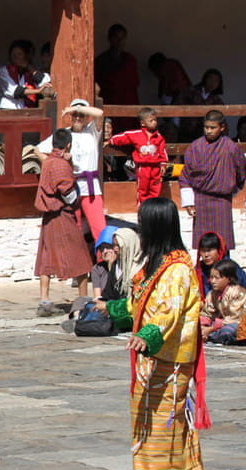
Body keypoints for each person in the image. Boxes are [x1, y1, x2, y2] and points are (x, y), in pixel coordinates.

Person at [97, 197, 217, 470]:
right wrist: (113, 308)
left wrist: (147, 335)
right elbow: (139, 303)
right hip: (152, 363)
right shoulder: (156, 266)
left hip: (170, 363)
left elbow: (170, 311)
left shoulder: (178, 270)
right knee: (169, 433)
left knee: (157, 438)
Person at [35, 128, 94, 316]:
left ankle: (44, 300)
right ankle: (83, 300)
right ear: (68, 144)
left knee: (46, 255)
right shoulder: (60, 165)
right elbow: (68, 193)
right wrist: (76, 198)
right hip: (61, 214)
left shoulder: (49, 161)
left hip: (48, 217)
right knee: (80, 256)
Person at [37, 99, 106, 239]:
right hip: (70, 187)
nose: (78, 118)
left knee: (100, 228)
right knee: (74, 228)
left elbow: (99, 113)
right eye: (75, 115)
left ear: (87, 116)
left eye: (81, 115)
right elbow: (38, 150)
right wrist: (57, 163)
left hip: (91, 188)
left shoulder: (92, 131)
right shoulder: (64, 134)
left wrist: (73, 108)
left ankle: (103, 259)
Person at [179, 110, 246, 251]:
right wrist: (189, 203)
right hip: (200, 200)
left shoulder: (231, 148)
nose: (208, 131)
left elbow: (241, 173)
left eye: (213, 128)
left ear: (222, 127)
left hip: (222, 201)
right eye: (206, 127)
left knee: (222, 245)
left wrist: (232, 191)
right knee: (203, 246)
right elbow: (186, 175)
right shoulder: (195, 147)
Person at [107, 108, 167, 205]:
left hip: (156, 168)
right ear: (143, 123)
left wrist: (163, 164)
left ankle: (152, 210)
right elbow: (124, 137)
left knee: (155, 188)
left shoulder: (159, 137)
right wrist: (111, 141)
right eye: (151, 120)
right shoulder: (136, 134)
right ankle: (142, 210)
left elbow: (162, 151)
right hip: (142, 167)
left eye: (155, 120)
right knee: (143, 189)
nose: (154, 123)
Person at [0, 40, 52, 110]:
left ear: (26, 56)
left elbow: (46, 83)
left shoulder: (31, 72)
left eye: (19, 54)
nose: (16, 58)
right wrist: (37, 91)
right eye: (14, 55)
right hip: (8, 110)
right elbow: (14, 91)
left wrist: (30, 68)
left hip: (28, 111)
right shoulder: (4, 71)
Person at [200, 259, 246, 345]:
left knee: (228, 331)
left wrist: (211, 329)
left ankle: (210, 337)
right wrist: (203, 326)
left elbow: (235, 319)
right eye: (211, 277)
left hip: (236, 324)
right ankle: (208, 336)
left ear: (228, 279)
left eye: (217, 278)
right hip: (220, 324)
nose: (213, 281)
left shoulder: (238, 293)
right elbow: (207, 313)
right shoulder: (212, 293)